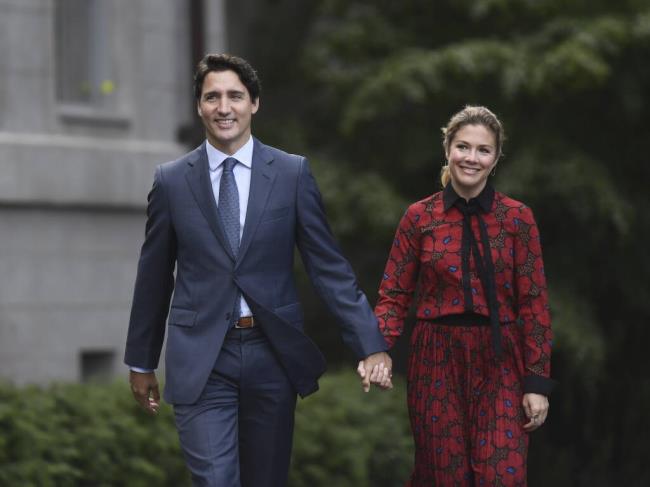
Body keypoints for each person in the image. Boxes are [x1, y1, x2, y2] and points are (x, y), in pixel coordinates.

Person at [124, 53, 391, 487]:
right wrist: (141, 360)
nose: (223, 107)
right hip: (202, 357)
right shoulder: (172, 181)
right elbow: (153, 276)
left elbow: (329, 268)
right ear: (199, 106)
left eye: (235, 96)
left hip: (272, 353)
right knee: (216, 480)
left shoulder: (291, 173)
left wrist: (369, 342)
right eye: (212, 97)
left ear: (254, 104)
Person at [371, 106, 556, 486]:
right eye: (463, 147)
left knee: (501, 475)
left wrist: (537, 383)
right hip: (435, 357)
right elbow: (393, 293)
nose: (471, 158)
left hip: (501, 358)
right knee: (444, 476)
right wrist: (377, 347)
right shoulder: (419, 217)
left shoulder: (518, 219)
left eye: (483, 150)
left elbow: (534, 304)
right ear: (448, 149)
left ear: (495, 158)